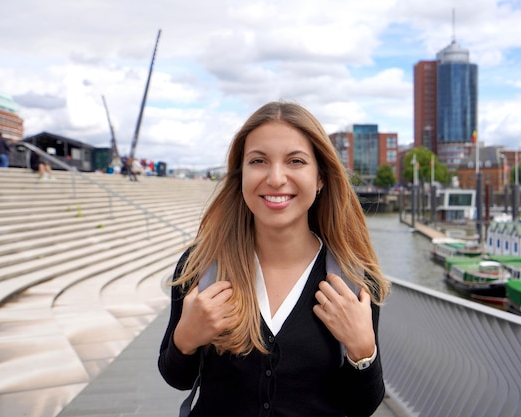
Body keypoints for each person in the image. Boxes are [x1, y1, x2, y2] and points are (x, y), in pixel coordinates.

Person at [158, 101, 391, 417]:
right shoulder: (200, 266)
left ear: (321, 177)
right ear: (241, 174)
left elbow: (362, 405)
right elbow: (177, 378)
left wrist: (363, 350)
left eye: (295, 161)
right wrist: (186, 337)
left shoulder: (356, 280)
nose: (276, 178)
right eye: (259, 161)